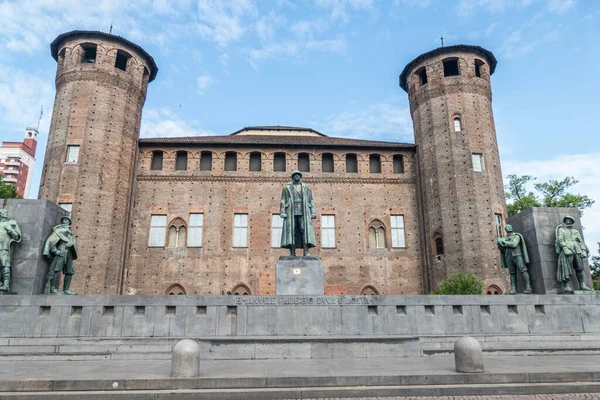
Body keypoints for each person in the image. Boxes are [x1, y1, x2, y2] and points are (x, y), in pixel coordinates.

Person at [279, 170, 317, 256]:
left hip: (304, 210)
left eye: (298, 175)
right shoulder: (287, 187)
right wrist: (282, 211)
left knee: (304, 230)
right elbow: (283, 200)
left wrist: (313, 212)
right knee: (292, 231)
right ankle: (292, 252)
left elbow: (311, 200)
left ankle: (306, 251)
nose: (297, 176)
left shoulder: (306, 187)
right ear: (292, 177)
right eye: (295, 175)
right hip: (291, 210)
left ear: (300, 176)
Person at [43, 216, 78, 295]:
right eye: (64, 220)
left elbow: (74, 243)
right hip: (61, 250)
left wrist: (72, 244)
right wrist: (55, 251)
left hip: (69, 253)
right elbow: (51, 241)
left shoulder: (70, 233)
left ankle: (66, 289)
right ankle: (52, 288)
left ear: (69, 222)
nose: (65, 221)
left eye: (67, 220)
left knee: (70, 271)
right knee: (56, 269)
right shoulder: (58, 230)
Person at [555, 215, 591, 293]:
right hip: (567, 250)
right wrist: (565, 248)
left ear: (572, 221)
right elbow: (560, 239)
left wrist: (583, 250)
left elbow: (580, 241)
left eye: (570, 220)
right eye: (566, 220)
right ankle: (566, 286)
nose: (568, 221)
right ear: (564, 221)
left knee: (580, 268)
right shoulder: (561, 230)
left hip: (577, 250)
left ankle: (582, 285)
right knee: (566, 268)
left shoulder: (576, 231)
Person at [497, 224, 531, 294]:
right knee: (512, 273)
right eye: (506, 227)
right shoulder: (505, 238)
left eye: (509, 226)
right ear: (505, 230)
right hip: (508, 256)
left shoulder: (516, 236)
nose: (508, 227)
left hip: (517, 254)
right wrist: (499, 243)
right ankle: (513, 289)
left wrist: (504, 242)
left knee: (523, 270)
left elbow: (514, 244)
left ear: (512, 228)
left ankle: (528, 287)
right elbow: (502, 249)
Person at [0, 210, 21, 293]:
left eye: (5, 213)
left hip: (3, 247)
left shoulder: (10, 224)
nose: (4, 215)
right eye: (2, 213)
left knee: (5, 265)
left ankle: (6, 284)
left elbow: (16, 236)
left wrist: (10, 230)